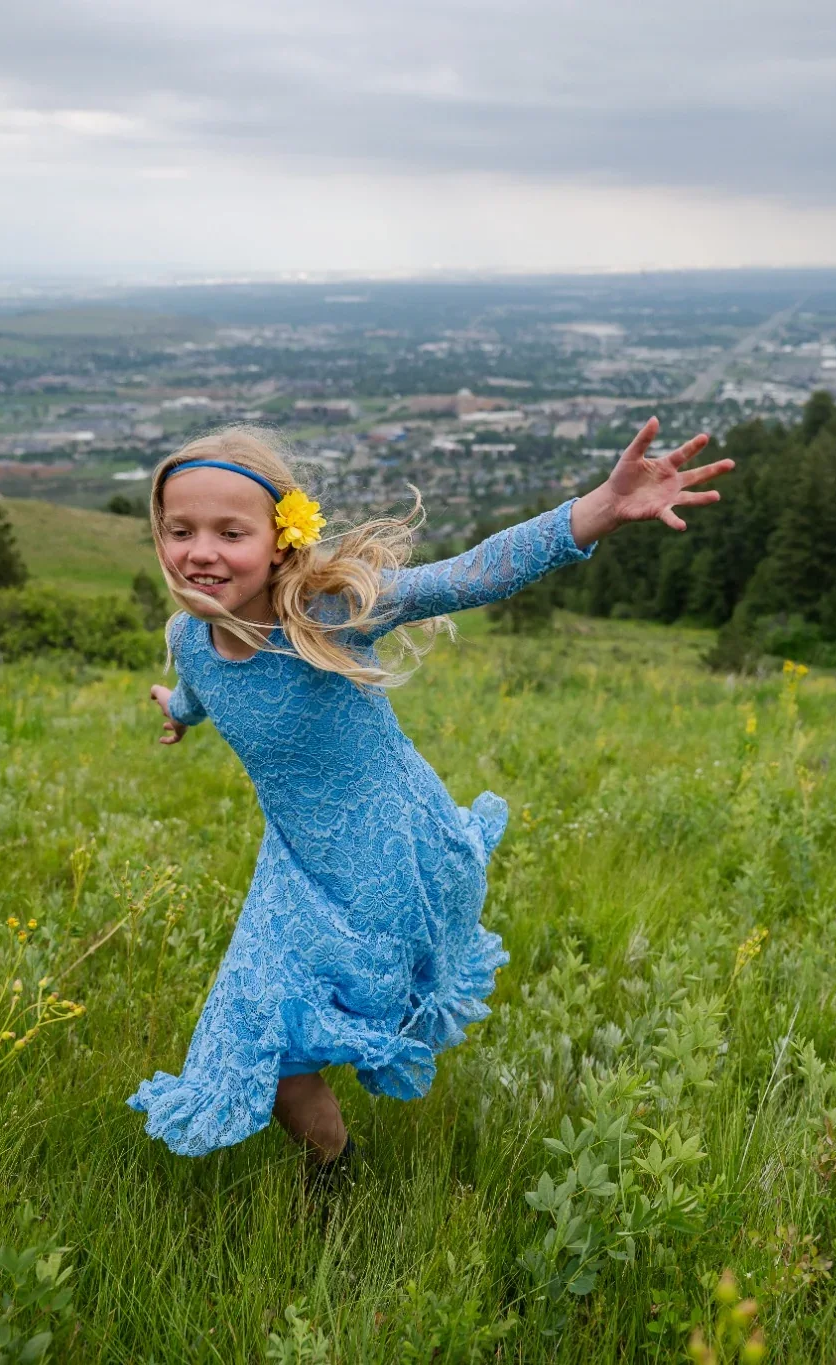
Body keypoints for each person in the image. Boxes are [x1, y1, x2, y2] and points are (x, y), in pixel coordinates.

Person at [127, 419, 733, 1167]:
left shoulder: (331, 614)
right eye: (181, 529)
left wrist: (597, 510)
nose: (202, 551)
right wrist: (176, 711)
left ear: (280, 539)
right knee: (257, 1028)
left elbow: (470, 574)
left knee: (314, 1017)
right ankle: (333, 1170)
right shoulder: (191, 636)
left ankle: (337, 1177)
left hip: (389, 855)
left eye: (230, 530)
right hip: (293, 865)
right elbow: (202, 687)